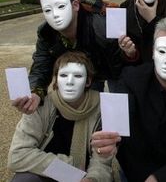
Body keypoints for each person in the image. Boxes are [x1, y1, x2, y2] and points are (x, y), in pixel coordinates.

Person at [91, 17, 166, 182]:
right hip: (136, 171)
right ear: (153, 52)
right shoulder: (131, 79)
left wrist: (159, 178)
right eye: (162, 51)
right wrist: (107, 143)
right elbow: (116, 126)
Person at [12, 0, 122, 114]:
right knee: (84, 108)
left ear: (75, 5)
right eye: (47, 10)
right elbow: (41, 65)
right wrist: (35, 91)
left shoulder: (102, 26)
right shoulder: (46, 33)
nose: (55, 15)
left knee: (118, 107)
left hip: (111, 68)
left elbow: (121, 63)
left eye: (61, 6)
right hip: (84, 74)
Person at [8, 51, 113, 182]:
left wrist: (93, 178)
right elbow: (17, 155)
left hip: (85, 176)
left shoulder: (104, 108)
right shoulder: (40, 105)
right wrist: (69, 170)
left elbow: (103, 160)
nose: (69, 82)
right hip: (46, 174)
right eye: (63, 75)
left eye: (78, 76)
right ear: (56, 80)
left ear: (88, 81)